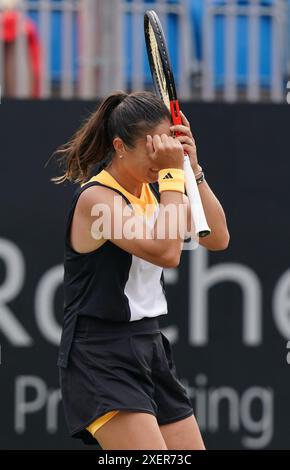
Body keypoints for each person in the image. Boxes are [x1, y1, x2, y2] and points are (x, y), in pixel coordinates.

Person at [55, 91, 229, 450]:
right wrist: (170, 175)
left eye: (167, 148)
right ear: (120, 146)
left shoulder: (155, 191)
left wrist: (191, 169)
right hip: (99, 354)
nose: (161, 158)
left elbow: (218, 238)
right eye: (153, 150)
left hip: (150, 346)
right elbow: (167, 253)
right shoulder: (96, 200)